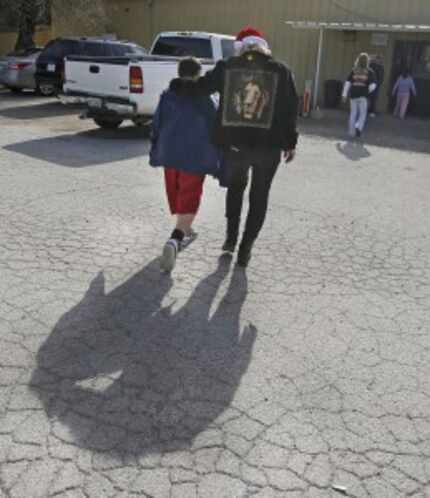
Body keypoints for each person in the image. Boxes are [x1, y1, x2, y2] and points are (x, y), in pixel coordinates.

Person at [194, 26, 299, 268]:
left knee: (235, 189)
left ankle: (230, 239)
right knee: (259, 197)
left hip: (235, 146)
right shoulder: (282, 71)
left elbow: (201, 88)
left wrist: (182, 84)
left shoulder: (227, 66)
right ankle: (245, 249)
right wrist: (290, 142)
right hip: (268, 148)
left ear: (240, 47)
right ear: (263, 46)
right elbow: (290, 109)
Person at [150, 57, 221, 272]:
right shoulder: (205, 98)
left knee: (178, 192)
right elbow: (216, 125)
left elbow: (156, 124)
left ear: (179, 73)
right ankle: (176, 238)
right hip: (194, 156)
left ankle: (185, 227)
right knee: (190, 195)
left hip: (169, 154)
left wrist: (155, 148)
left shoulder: (167, 95)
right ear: (199, 74)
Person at [342, 53, 377, 139]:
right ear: (367, 61)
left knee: (353, 113)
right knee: (362, 114)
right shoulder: (370, 72)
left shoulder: (354, 70)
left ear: (358, 60)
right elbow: (373, 85)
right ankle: (358, 128)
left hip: (353, 95)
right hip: (363, 96)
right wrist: (367, 91)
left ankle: (351, 132)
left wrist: (344, 95)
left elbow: (347, 83)